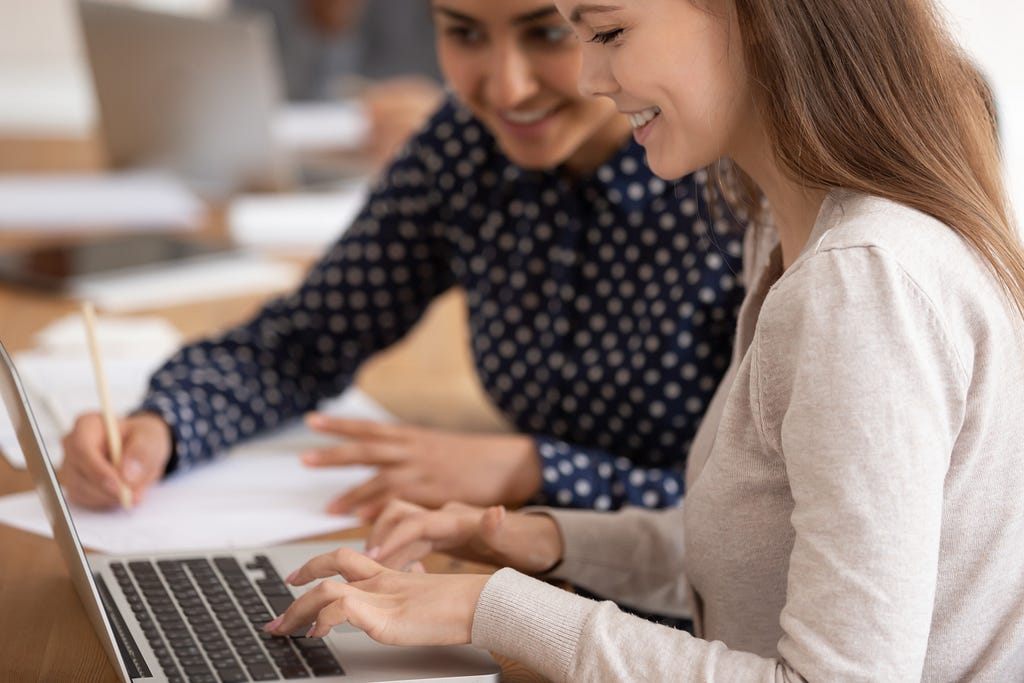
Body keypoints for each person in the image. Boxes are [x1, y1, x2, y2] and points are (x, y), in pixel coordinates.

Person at [263, 0, 1024, 679]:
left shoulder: (861, 284)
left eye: (609, 31)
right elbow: (757, 554)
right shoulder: (780, 226)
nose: (590, 75)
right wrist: (544, 540)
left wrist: (489, 608)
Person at [60, 1, 744, 525]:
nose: (504, 88)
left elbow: (762, 520)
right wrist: (162, 426)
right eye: (464, 33)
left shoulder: (740, 192)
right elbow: (300, 343)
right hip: (533, 569)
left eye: (550, 32)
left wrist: (535, 470)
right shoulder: (465, 148)